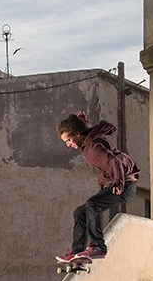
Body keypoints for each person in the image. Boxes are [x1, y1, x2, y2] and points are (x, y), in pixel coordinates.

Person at [56, 111, 141, 262]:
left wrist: (118, 182)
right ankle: (78, 252)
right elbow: (86, 127)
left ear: (77, 134)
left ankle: (98, 247)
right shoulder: (88, 137)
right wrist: (81, 119)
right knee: (80, 212)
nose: (68, 145)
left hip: (124, 185)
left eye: (69, 140)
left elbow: (114, 162)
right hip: (118, 183)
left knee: (92, 204)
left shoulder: (93, 147)